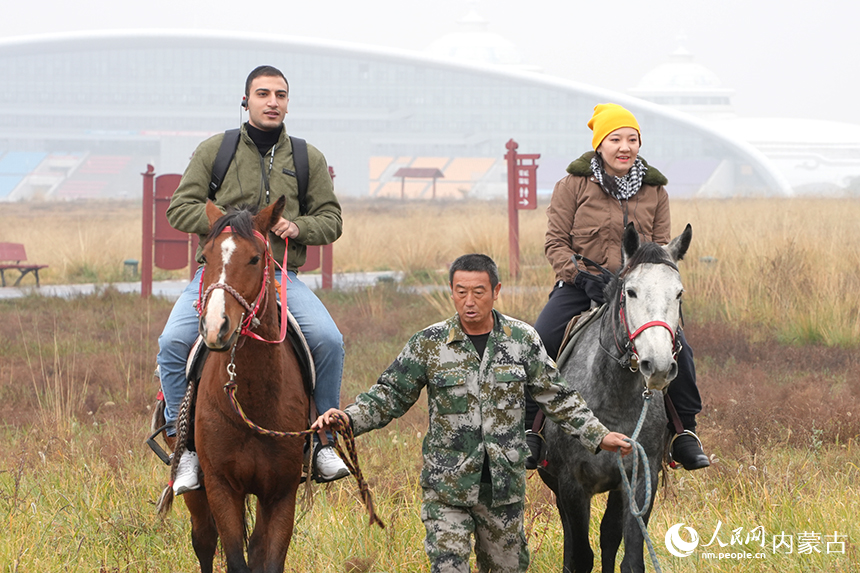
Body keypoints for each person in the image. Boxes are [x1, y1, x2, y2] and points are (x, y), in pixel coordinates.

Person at [312, 254, 632, 573]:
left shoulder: (521, 340)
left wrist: (598, 435)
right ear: (451, 291)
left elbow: (559, 397)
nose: (468, 301)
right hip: (448, 487)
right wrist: (348, 418)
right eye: (460, 291)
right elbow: (389, 395)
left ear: (496, 291)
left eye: (478, 292)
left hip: (502, 491)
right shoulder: (429, 344)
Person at [158, 65, 350, 494]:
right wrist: (231, 225)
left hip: (281, 277)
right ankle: (183, 447)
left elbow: (332, 219)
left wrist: (299, 228)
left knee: (328, 339)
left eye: (280, 95)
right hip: (219, 275)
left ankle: (323, 442)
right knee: (172, 342)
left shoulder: (306, 158)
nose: (273, 102)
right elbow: (180, 207)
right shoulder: (216, 150)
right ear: (246, 100)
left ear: (287, 102)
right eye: (263, 94)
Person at [525, 103, 709, 472]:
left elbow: (659, 249)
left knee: (679, 349)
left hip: (640, 292)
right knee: (539, 340)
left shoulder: (655, 190)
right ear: (600, 144)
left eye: (632, 139)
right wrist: (580, 276)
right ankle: (532, 430)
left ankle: (683, 433)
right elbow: (555, 243)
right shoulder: (572, 185)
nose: (625, 147)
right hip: (582, 286)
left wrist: (642, 280)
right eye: (616, 139)